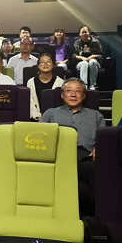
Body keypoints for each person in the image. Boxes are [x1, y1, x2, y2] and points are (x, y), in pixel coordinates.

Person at [41, 78, 106, 216]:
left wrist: (99, 149)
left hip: (86, 159)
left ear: (84, 95)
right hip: (59, 158)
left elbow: (104, 140)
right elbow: (41, 138)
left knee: (99, 171)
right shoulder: (50, 113)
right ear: (62, 94)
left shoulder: (96, 115)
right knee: (81, 189)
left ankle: (93, 219)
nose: (73, 94)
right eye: (69, 91)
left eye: (78, 91)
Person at [27, 53, 65, 120]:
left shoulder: (60, 82)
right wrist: (38, 117)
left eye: (48, 62)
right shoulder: (31, 82)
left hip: (55, 119)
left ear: (53, 65)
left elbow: (60, 104)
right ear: (38, 66)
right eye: (42, 62)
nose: (45, 64)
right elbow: (31, 102)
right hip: (35, 118)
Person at [73, 26, 102, 90]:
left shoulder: (95, 42)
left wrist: (92, 56)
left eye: (86, 32)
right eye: (82, 32)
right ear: (79, 34)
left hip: (94, 62)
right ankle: (84, 85)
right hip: (81, 62)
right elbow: (74, 55)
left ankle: (93, 85)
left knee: (92, 62)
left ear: (89, 33)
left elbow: (101, 55)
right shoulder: (77, 42)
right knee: (84, 63)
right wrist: (82, 58)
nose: (84, 34)